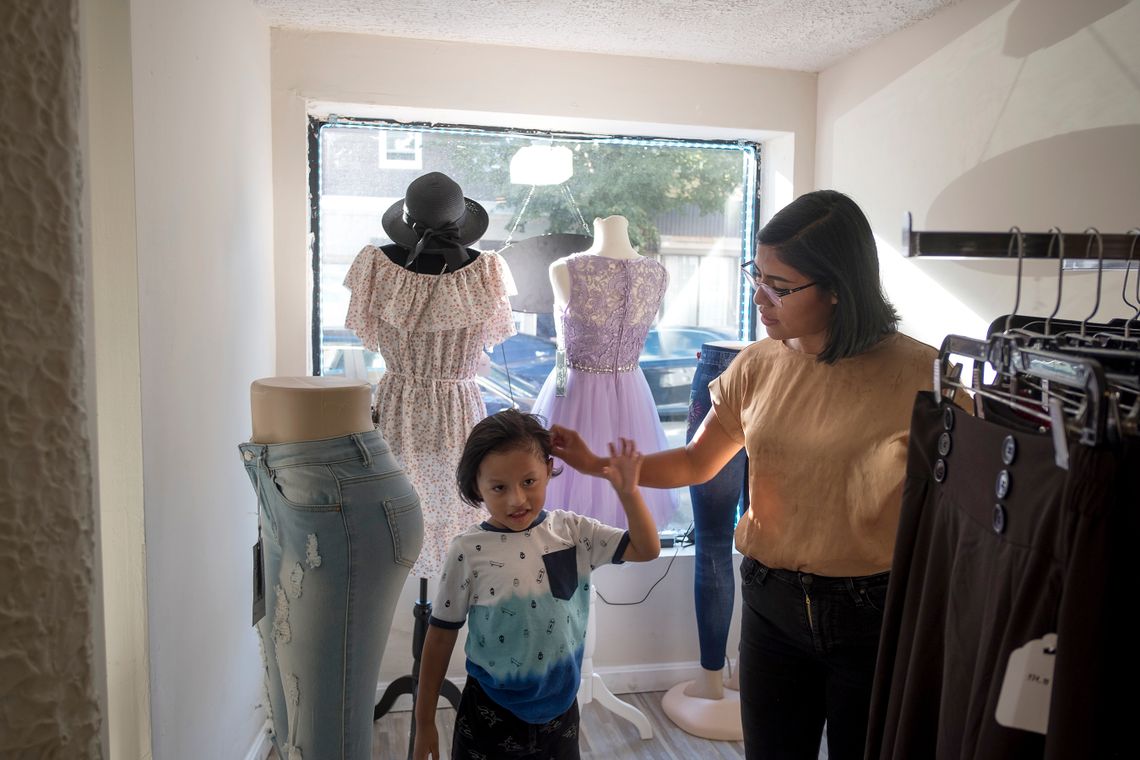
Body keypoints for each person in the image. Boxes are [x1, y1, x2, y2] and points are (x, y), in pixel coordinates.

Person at [551, 190, 965, 760]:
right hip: (773, 604)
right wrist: (600, 466)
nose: (759, 296)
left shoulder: (923, 376)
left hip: (873, 612)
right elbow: (698, 463)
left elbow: (956, 513)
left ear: (840, 288)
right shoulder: (757, 365)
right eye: (757, 274)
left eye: (780, 285)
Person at [412, 409, 661, 760]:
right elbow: (439, 636)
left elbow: (647, 549)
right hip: (489, 713)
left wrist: (629, 492)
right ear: (477, 488)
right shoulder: (467, 551)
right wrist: (424, 721)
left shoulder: (573, 532)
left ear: (547, 468)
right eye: (499, 487)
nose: (517, 499)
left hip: (561, 712)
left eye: (529, 481)